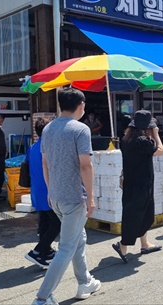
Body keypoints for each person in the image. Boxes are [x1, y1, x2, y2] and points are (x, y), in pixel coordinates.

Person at [32, 88, 100, 305]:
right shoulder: (81, 129)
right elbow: (85, 165)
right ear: (81, 104)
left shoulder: (49, 128)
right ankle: (42, 298)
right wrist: (90, 197)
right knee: (67, 247)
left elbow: (45, 163)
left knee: (77, 239)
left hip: (57, 196)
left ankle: (85, 281)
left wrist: (51, 190)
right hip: (74, 197)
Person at [113, 110, 163, 262]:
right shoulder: (142, 141)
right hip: (142, 183)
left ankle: (145, 243)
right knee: (137, 215)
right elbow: (160, 151)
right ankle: (122, 245)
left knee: (141, 213)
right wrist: (156, 134)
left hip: (131, 182)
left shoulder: (126, 139)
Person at [24, 118, 60, 269]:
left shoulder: (32, 148)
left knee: (44, 221)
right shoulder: (49, 148)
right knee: (57, 223)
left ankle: (46, 250)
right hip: (48, 190)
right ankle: (38, 251)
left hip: (36, 191)